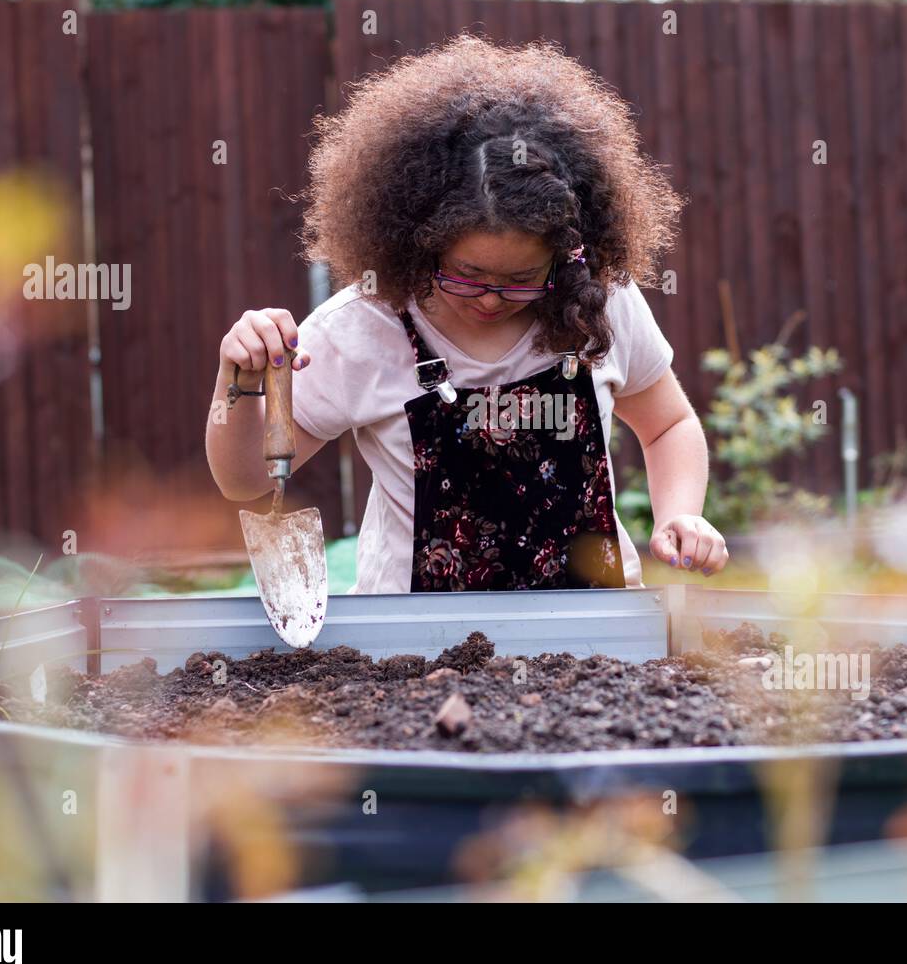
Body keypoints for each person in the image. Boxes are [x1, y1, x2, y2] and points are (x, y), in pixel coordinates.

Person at [206, 35, 728, 593]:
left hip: (594, 636)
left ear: (566, 255)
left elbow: (669, 424)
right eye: (467, 275)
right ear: (415, 244)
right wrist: (236, 382)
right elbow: (244, 482)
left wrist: (681, 513)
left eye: (522, 280)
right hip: (411, 651)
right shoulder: (359, 327)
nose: (489, 299)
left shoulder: (598, 302)